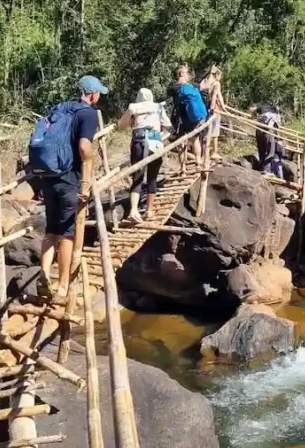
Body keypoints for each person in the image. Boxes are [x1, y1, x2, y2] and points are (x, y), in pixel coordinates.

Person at [31, 75, 108, 300]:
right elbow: (84, 148)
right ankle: (63, 286)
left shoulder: (62, 108)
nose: (99, 97)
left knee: (50, 230)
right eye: (99, 94)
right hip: (69, 179)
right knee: (66, 234)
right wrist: (87, 178)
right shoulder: (88, 114)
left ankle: (43, 275)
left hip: (48, 176)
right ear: (93, 94)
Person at [117, 87, 172, 222]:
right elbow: (169, 126)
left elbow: (121, 125)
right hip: (155, 142)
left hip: (139, 141)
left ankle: (134, 210)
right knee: (152, 176)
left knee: (137, 176)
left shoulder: (133, 107)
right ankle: (149, 210)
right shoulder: (158, 107)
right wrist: (162, 135)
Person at [169, 64, 208, 173]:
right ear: (181, 74)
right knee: (192, 140)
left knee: (184, 142)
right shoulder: (182, 86)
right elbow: (204, 86)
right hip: (186, 118)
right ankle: (197, 162)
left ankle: (184, 168)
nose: (188, 74)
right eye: (186, 72)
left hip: (182, 118)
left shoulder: (176, 86)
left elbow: (204, 86)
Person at [199, 64, 225, 160]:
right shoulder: (216, 83)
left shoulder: (206, 82)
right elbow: (215, 96)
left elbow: (219, 96)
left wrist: (224, 107)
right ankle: (213, 152)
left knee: (207, 131)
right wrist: (214, 107)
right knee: (214, 132)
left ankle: (205, 150)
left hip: (207, 108)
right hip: (214, 109)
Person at [255, 103, 284, 178]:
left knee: (261, 151)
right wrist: (278, 138)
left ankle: (262, 169)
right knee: (270, 152)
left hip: (258, 132)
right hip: (268, 133)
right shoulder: (274, 115)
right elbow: (274, 126)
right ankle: (267, 170)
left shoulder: (262, 115)